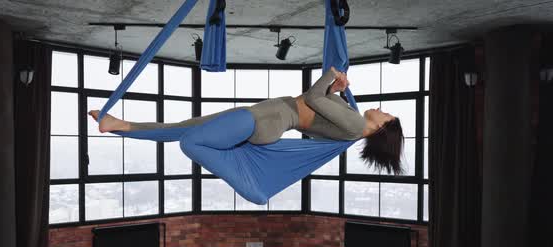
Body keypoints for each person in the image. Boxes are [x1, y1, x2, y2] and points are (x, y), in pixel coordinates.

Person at [89, 67, 404, 174]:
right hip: (261, 119)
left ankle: (224, 161)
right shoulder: (351, 122)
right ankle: (119, 125)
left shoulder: (353, 126)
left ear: (382, 128)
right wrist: (335, 88)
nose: (382, 109)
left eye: (388, 114)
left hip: (263, 121)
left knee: (190, 137)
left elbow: (311, 99)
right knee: (186, 126)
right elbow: (318, 102)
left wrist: (331, 75)